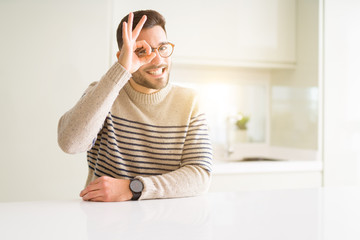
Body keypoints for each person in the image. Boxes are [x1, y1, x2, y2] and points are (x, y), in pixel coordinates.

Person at [57, 10, 212, 202]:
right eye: (142, 51)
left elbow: (199, 176)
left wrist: (133, 188)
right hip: (105, 224)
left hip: (167, 223)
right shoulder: (104, 93)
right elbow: (70, 143)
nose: (157, 60)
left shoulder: (190, 101)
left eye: (162, 48)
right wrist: (121, 70)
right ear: (122, 56)